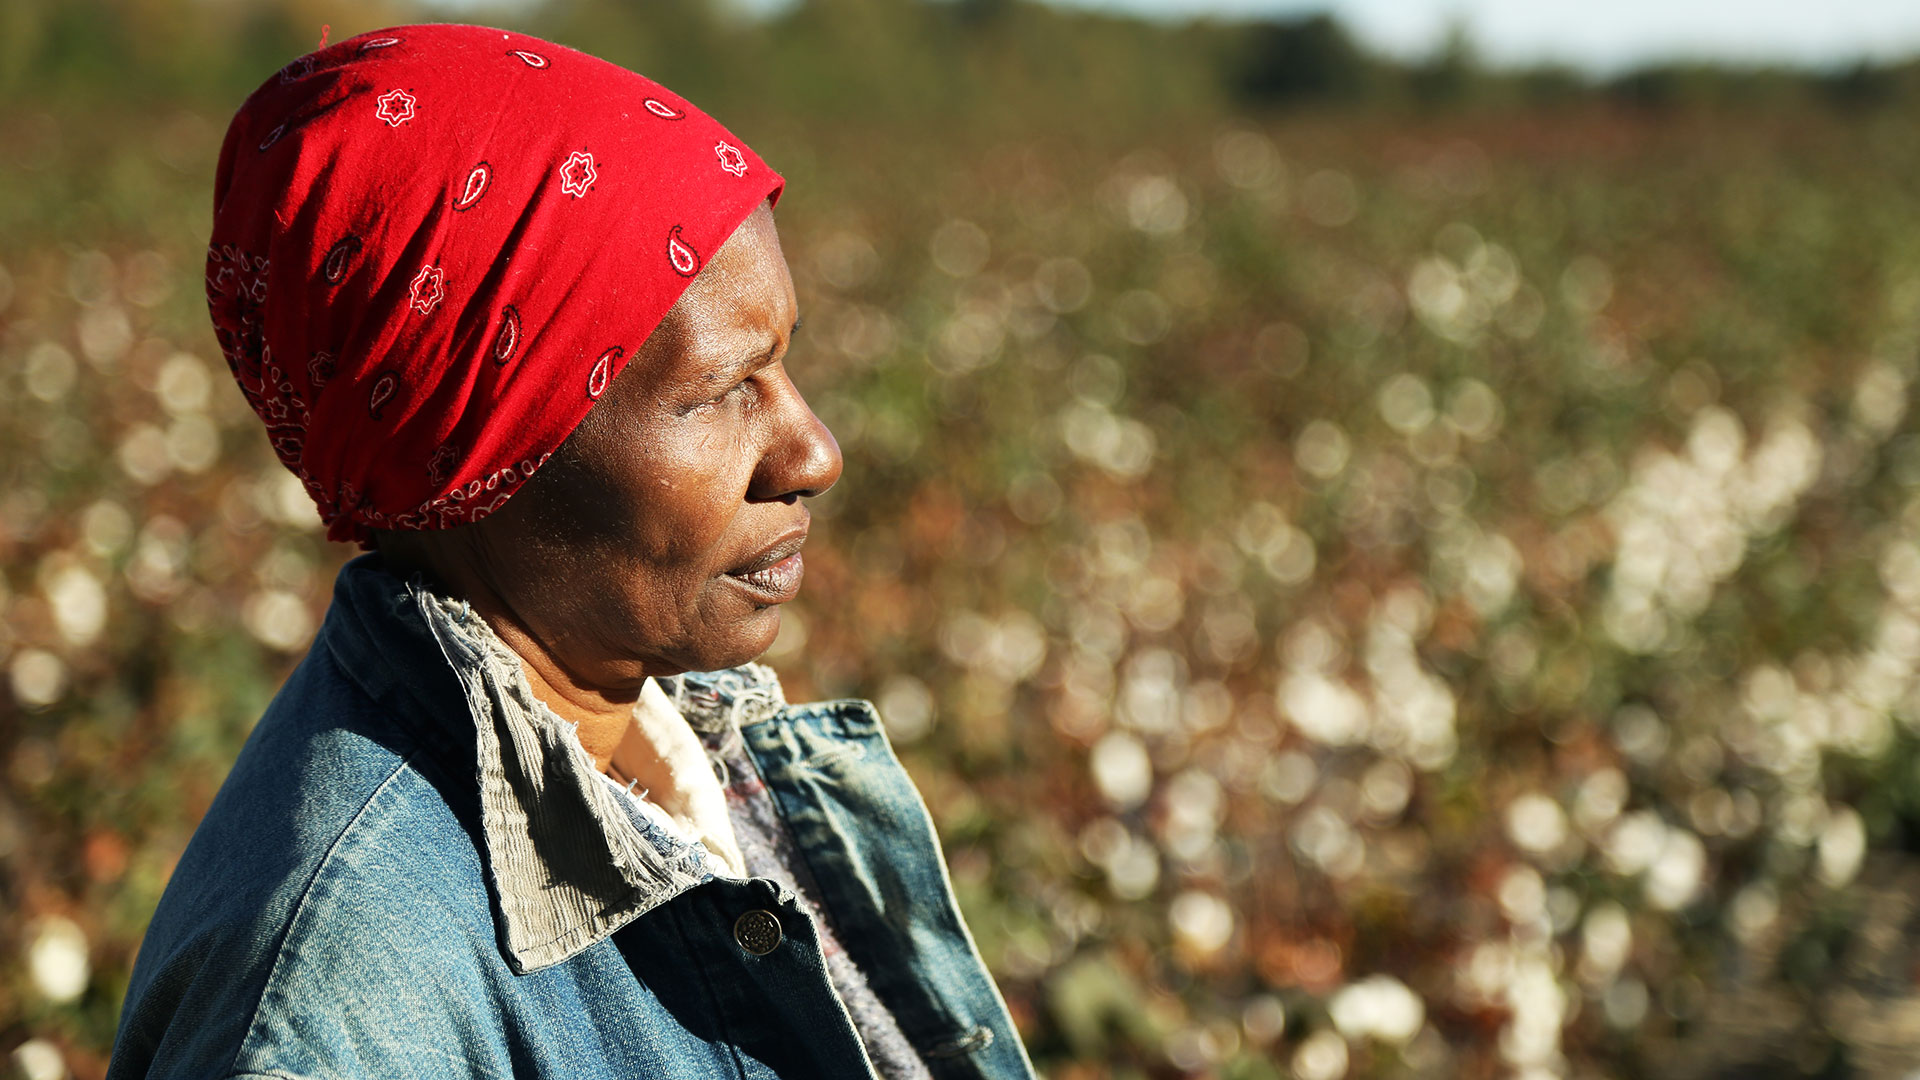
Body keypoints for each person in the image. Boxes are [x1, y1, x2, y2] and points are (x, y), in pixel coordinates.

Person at [107, 24, 1038, 1080]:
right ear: (491, 451)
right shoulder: (342, 998)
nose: (815, 452)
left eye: (785, 366)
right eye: (726, 389)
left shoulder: (654, 741)